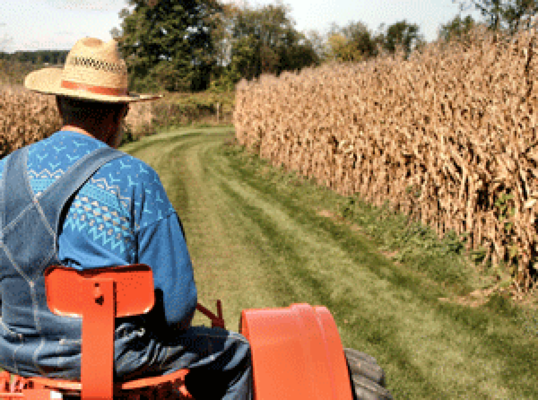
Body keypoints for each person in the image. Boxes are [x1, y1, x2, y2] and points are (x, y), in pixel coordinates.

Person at [0, 37, 252, 399]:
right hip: (114, 359)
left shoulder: (4, 172)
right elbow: (177, 310)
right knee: (236, 351)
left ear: (58, 105)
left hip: (16, 355)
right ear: (120, 114)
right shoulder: (134, 179)